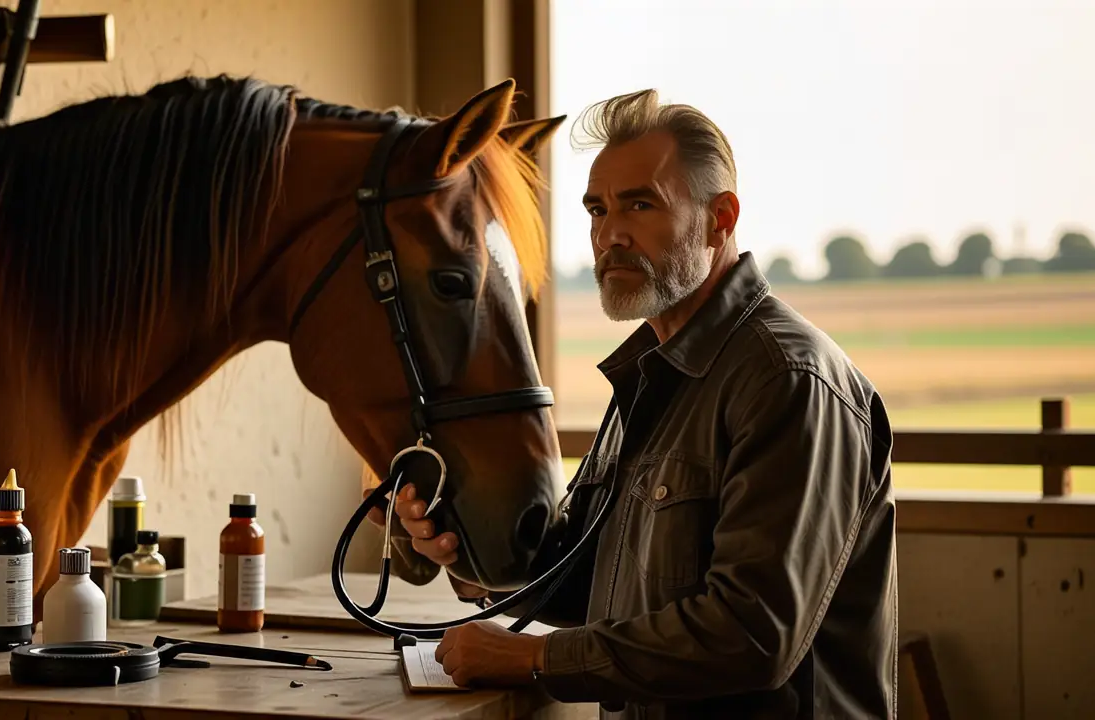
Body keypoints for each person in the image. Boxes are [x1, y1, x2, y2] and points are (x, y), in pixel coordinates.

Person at [381, 89, 899, 719]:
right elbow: (595, 576)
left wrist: (534, 659)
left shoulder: (787, 380)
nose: (610, 235)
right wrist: (461, 549)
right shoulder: (652, 375)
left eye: (640, 205)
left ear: (720, 218)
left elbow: (753, 635)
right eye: (597, 210)